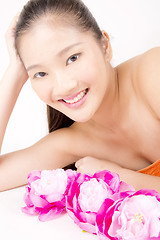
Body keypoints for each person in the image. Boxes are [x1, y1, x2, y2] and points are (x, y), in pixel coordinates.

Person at [0, 0, 160, 192]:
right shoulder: (72, 143)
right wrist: (15, 72)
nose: (63, 87)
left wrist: (119, 178)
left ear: (105, 46)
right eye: (40, 74)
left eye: (72, 58)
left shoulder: (153, 74)